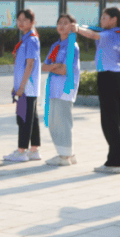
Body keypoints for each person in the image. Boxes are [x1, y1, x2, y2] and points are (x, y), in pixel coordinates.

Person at [74, 7, 120, 174]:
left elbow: (93, 35)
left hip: (107, 79)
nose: (101, 19)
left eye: (104, 17)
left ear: (113, 20)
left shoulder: (109, 34)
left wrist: (76, 29)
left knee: (109, 121)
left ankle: (115, 162)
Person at [43, 14, 82, 167]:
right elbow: (44, 66)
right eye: (60, 23)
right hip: (54, 88)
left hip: (65, 88)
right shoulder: (56, 46)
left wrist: (54, 67)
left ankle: (64, 156)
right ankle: (69, 154)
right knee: (54, 122)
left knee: (62, 122)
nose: (62, 25)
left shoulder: (72, 45)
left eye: (66, 23)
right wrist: (54, 66)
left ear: (73, 26)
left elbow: (65, 70)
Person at [3, 9, 41, 163]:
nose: (20, 22)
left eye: (25, 20)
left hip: (27, 88)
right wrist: (17, 85)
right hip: (25, 87)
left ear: (32, 22)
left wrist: (21, 87)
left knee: (24, 119)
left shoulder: (31, 40)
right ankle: (34, 150)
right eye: (19, 19)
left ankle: (21, 151)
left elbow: (30, 65)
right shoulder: (26, 39)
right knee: (32, 118)